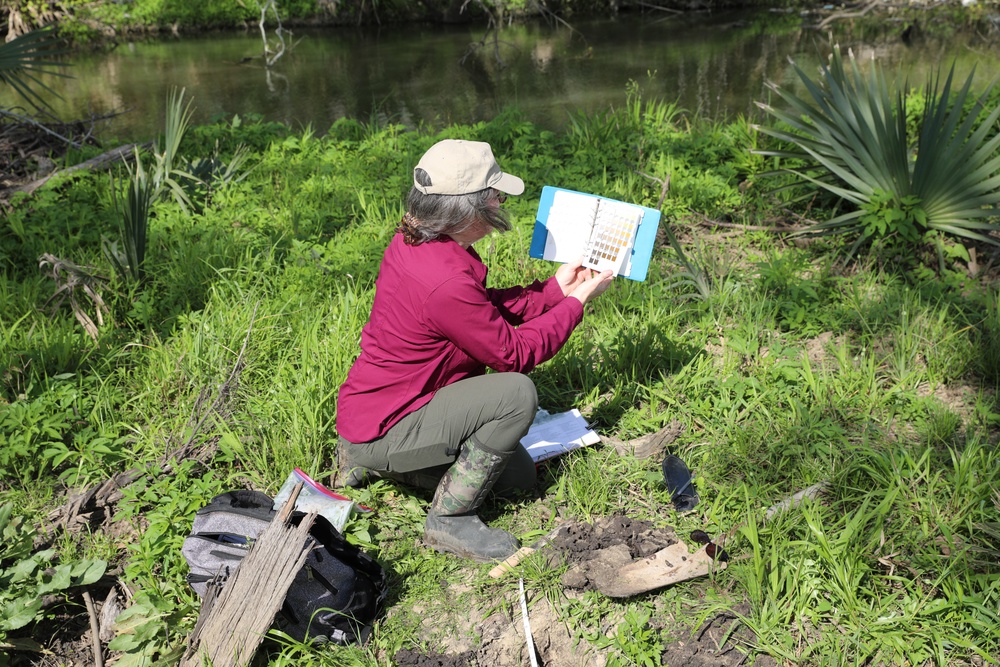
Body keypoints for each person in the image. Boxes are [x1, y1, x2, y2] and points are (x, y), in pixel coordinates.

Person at [335, 139, 613, 562]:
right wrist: (577, 304)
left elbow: (480, 310)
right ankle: (448, 519)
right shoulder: (443, 279)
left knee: (519, 480)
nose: (502, 201)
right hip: (390, 422)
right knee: (516, 393)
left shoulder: (422, 241)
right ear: (468, 209)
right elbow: (514, 354)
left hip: (379, 407)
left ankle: (371, 460)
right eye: (496, 195)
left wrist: (554, 291)